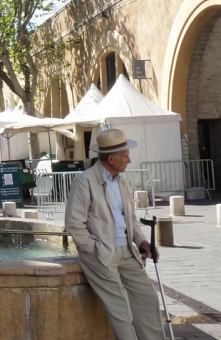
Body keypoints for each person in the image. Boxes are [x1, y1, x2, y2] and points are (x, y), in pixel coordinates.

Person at [65, 129, 164, 340]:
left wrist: (142, 241)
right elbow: (74, 224)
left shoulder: (121, 181)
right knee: (121, 309)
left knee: (147, 299)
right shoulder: (84, 181)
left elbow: (130, 218)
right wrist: (94, 248)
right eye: (126, 155)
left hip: (127, 250)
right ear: (112, 158)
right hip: (102, 253)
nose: (129, 159)